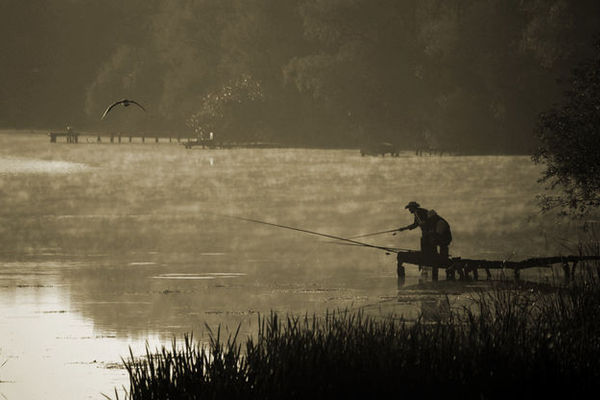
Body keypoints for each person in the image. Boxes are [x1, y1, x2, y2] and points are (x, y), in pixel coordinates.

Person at [397, 201, 452, 279]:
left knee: (427, 243)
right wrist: (405, 228)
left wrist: (428, 234)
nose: (409, 210)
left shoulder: (419, 213)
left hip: (437, 236)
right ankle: (432, 256)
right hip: (433, 234)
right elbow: (416, 224)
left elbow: (423, 225)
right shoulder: (419, 213)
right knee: (429, 243)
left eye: (410, 208)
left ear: (413, 207)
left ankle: (430, 256)